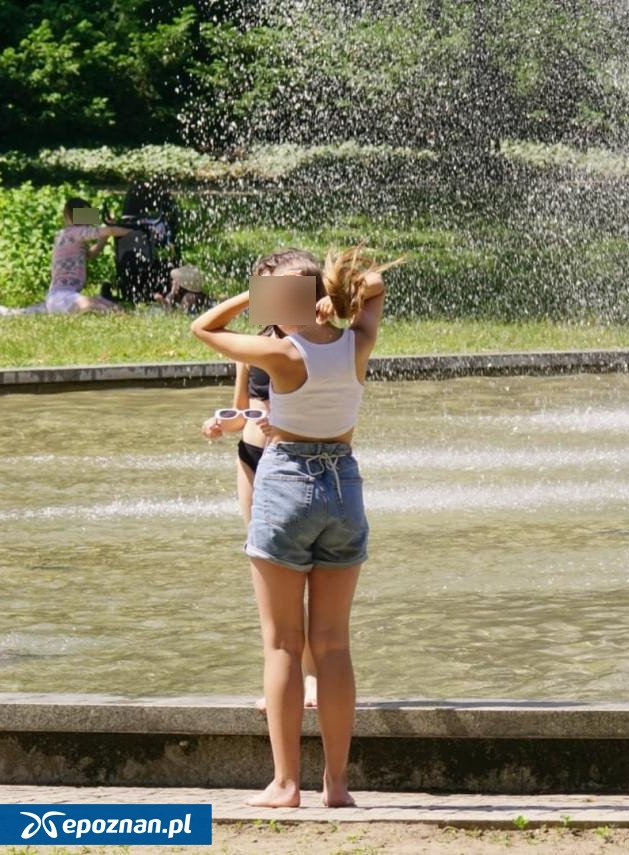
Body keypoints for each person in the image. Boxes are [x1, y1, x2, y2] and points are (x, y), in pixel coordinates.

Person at [190, 246, 401, 809]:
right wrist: (334, 296)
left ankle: (286, 785)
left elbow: (203, 326)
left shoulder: (282, 352)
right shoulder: (359, 342)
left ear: (284, 302)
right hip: (344, 487)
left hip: (286, 482)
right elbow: (375, 286)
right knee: (333, 644)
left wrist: (255, 297)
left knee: (283, 643)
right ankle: (336, 784)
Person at [201, 322, 318, 711]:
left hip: (297, 458)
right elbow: (242, 411)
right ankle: (280, 682)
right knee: (268, 572)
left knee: (307, 574)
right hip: (252, 459)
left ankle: (313, 677)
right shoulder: (253, 341)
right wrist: (221, 423)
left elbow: (329, 408)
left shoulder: (318, 340)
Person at [47, 198, 132, 314]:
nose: (86, 221)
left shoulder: (68, 235)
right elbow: (110, 230)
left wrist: (106, 234)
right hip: (61, 297)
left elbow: (92, 254)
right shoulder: (73, 233)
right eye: (83, 216)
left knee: (108, 304)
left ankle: (123, 314)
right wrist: (133, 231)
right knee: (91, 304)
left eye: (88, 216)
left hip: (69, 295)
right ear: (70, 217)